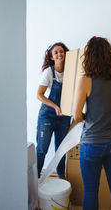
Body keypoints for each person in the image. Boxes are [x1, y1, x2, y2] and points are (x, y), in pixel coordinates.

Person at [73, 37, 111, 210]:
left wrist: (87, 115)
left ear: (89, 56)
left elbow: (76, 116)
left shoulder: (86, 79)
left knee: (90, 191)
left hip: (93, 143)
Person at [36, 42, 71, 179]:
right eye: (55, 52)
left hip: (64, 116)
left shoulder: (71, 71)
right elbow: (39, 95)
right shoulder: (48, 72)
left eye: (61, 51)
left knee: (61, 150)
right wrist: (55, 106)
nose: (59, 54)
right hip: (48, 116)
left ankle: (61, 178)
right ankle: (36, 178)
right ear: (51, 57)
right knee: (42, 149)